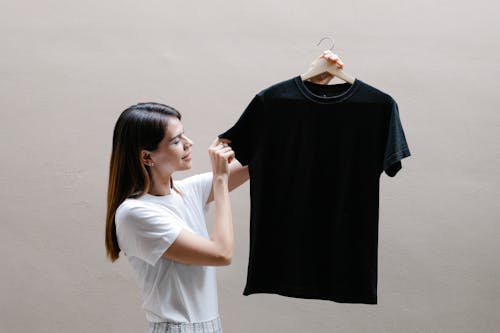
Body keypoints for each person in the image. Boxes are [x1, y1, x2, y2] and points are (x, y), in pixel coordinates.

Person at [104, 51, 344, 333]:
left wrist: (310, 87)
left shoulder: (183, 192)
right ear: (147, 157)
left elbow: (266, 158)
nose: (189, 143)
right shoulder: (135, 214)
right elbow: (221, 253)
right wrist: (219, 180)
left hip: (208, 326)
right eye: (177, 140)